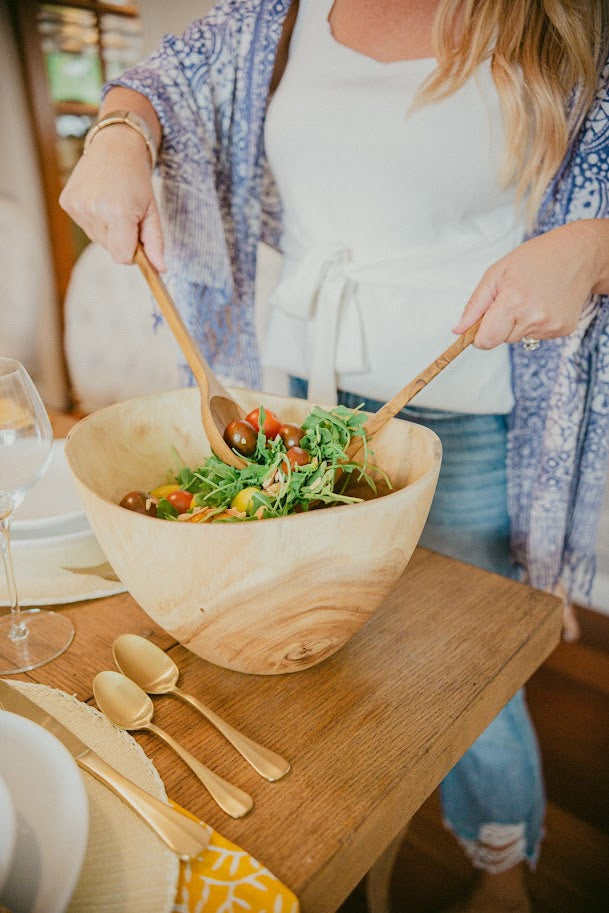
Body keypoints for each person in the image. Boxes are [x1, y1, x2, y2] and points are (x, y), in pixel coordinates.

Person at [59, 2, 609, 910]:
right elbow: (164, 82)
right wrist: (119, 131)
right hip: (306, 392)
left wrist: (592, 246)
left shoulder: (559, 15)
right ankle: (359, 824)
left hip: (469, 402)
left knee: (462, 657)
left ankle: (502, 861)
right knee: (339, 637)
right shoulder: (277, 11)